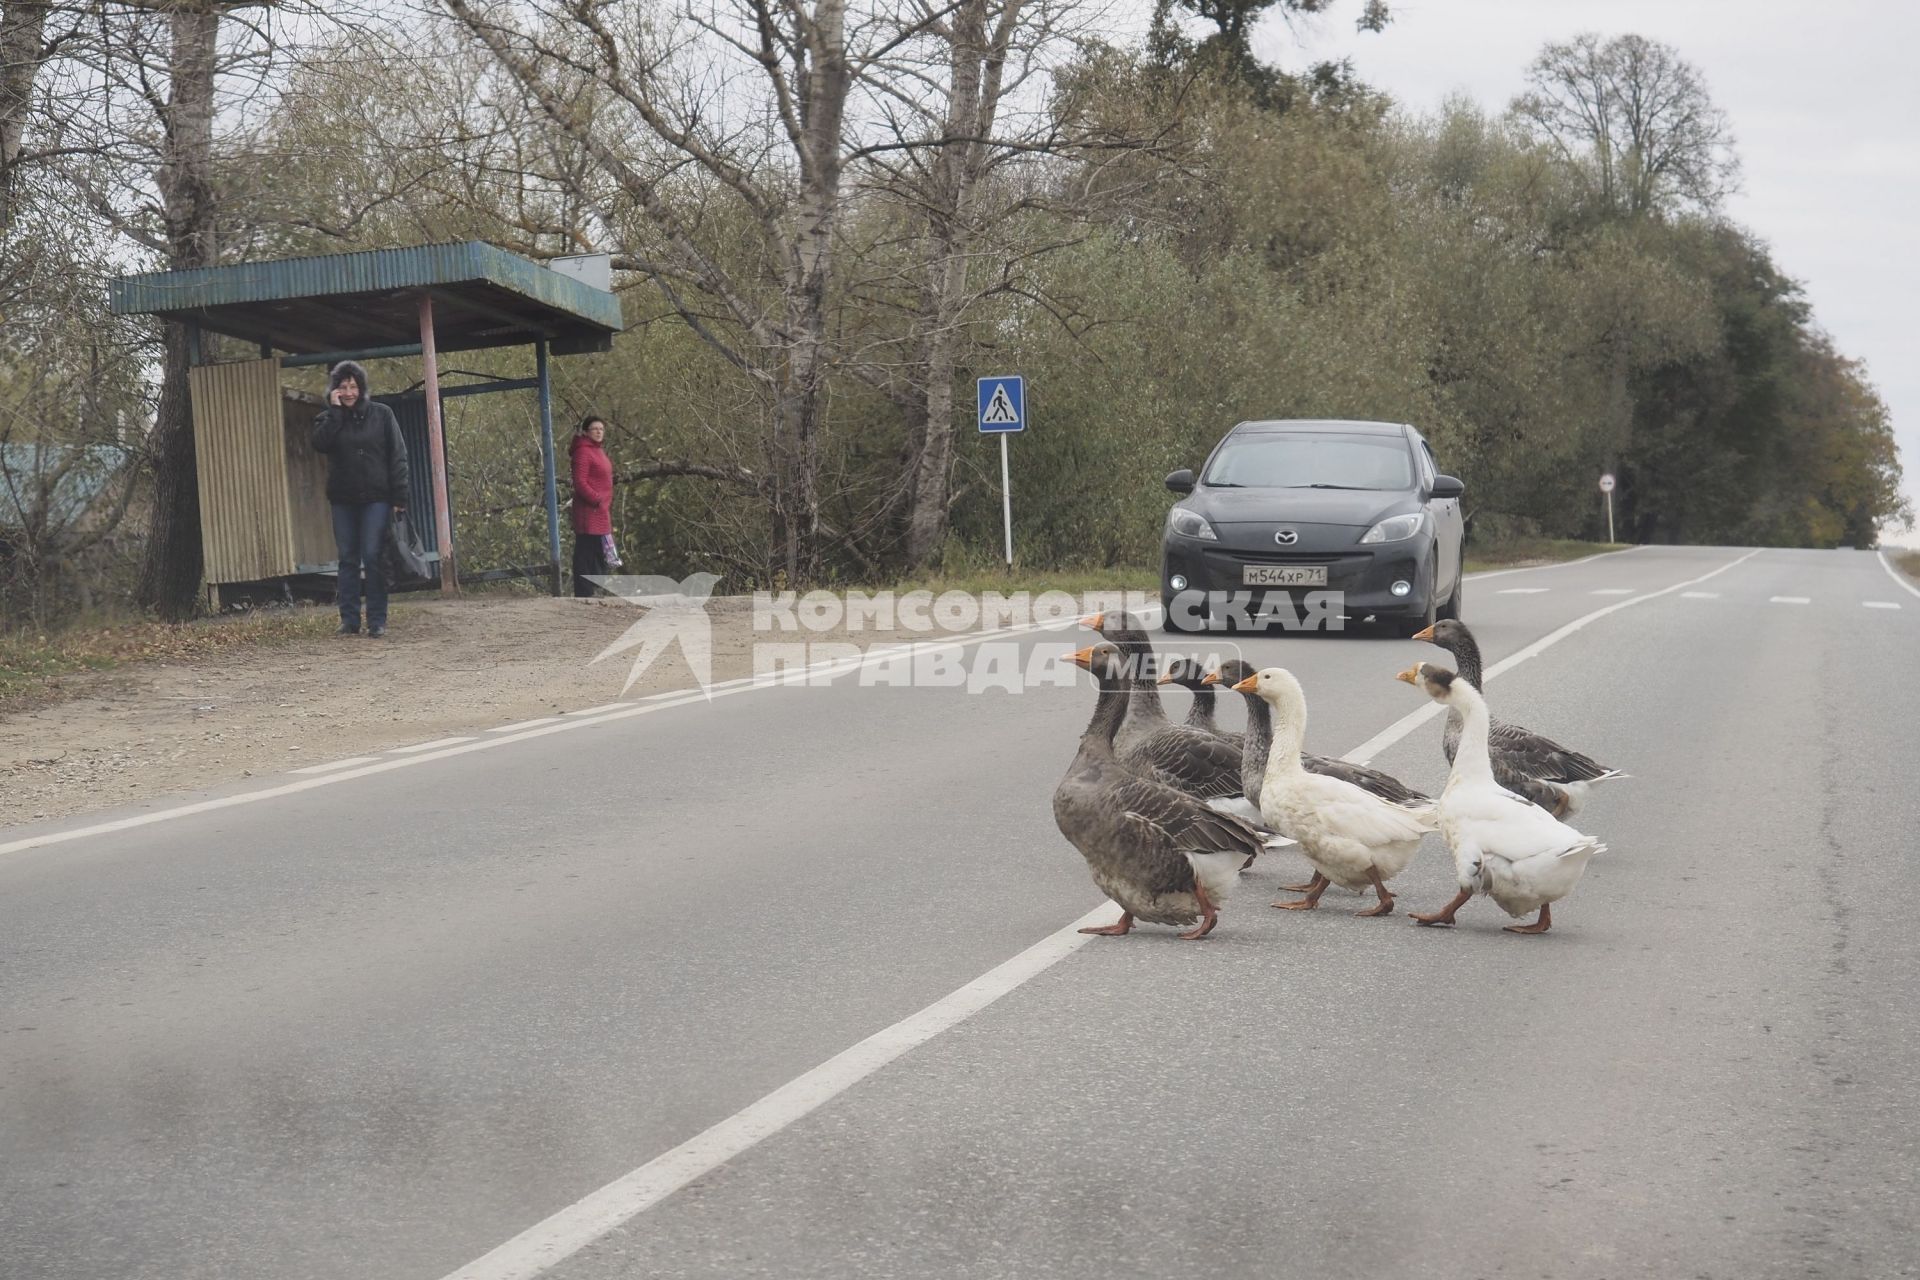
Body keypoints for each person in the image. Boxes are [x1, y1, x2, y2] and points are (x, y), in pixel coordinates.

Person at [310, 360, 409, 637]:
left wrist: (400, 495)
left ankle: (377, 620)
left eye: (353, 386)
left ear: (362, 388)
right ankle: (349, 620)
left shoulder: (382, 414)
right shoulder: (329, 418)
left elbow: (398, 456)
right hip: (343, 499)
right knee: (348, 558)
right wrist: (336, 413)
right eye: (343, 387)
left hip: (377, 498)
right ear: (335, 391)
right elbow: (320, 443)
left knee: (373, 555)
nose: (349, 391)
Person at [569, 415, 615, 596]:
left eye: (601, 429)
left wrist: (603, 503)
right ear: (586, 432)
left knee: (599, 553)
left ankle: (591, 590)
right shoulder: (583, 451)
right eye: (595, 429)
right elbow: (580, 482)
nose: (598, 432)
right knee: (585, 553)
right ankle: (583, 593)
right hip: (589, 511)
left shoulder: (598, 450)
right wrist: (596, 499)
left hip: (601, 511)